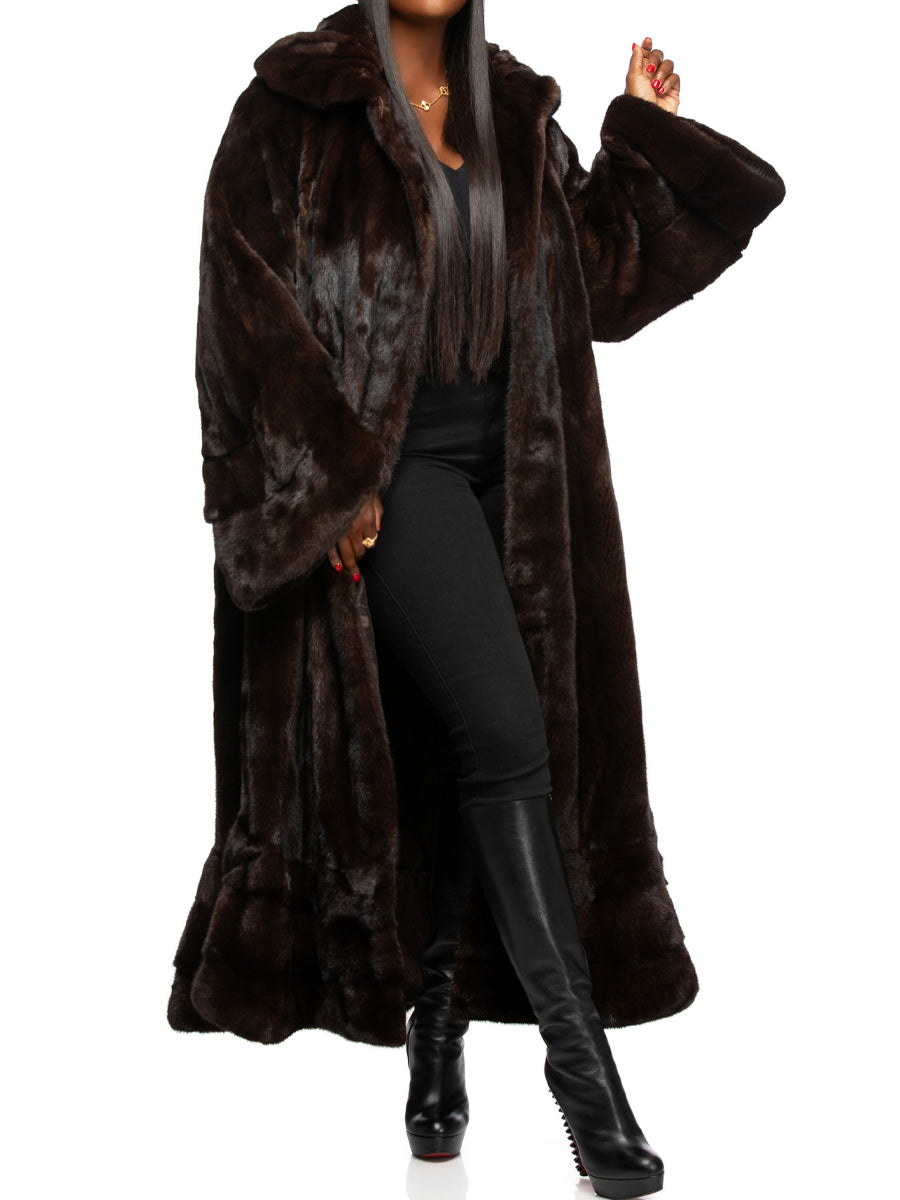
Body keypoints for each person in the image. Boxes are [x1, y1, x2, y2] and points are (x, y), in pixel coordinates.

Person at [167, 4, 786, 1197]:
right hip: (393, 475)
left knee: (470, 746)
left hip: (527, 470)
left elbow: (599, 287)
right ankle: (585, 1079)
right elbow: (240, 314)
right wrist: (331, 481)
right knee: (508, 735)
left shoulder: (516, 110)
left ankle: (439, 1041)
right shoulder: (293, 108)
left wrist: (642, 141)